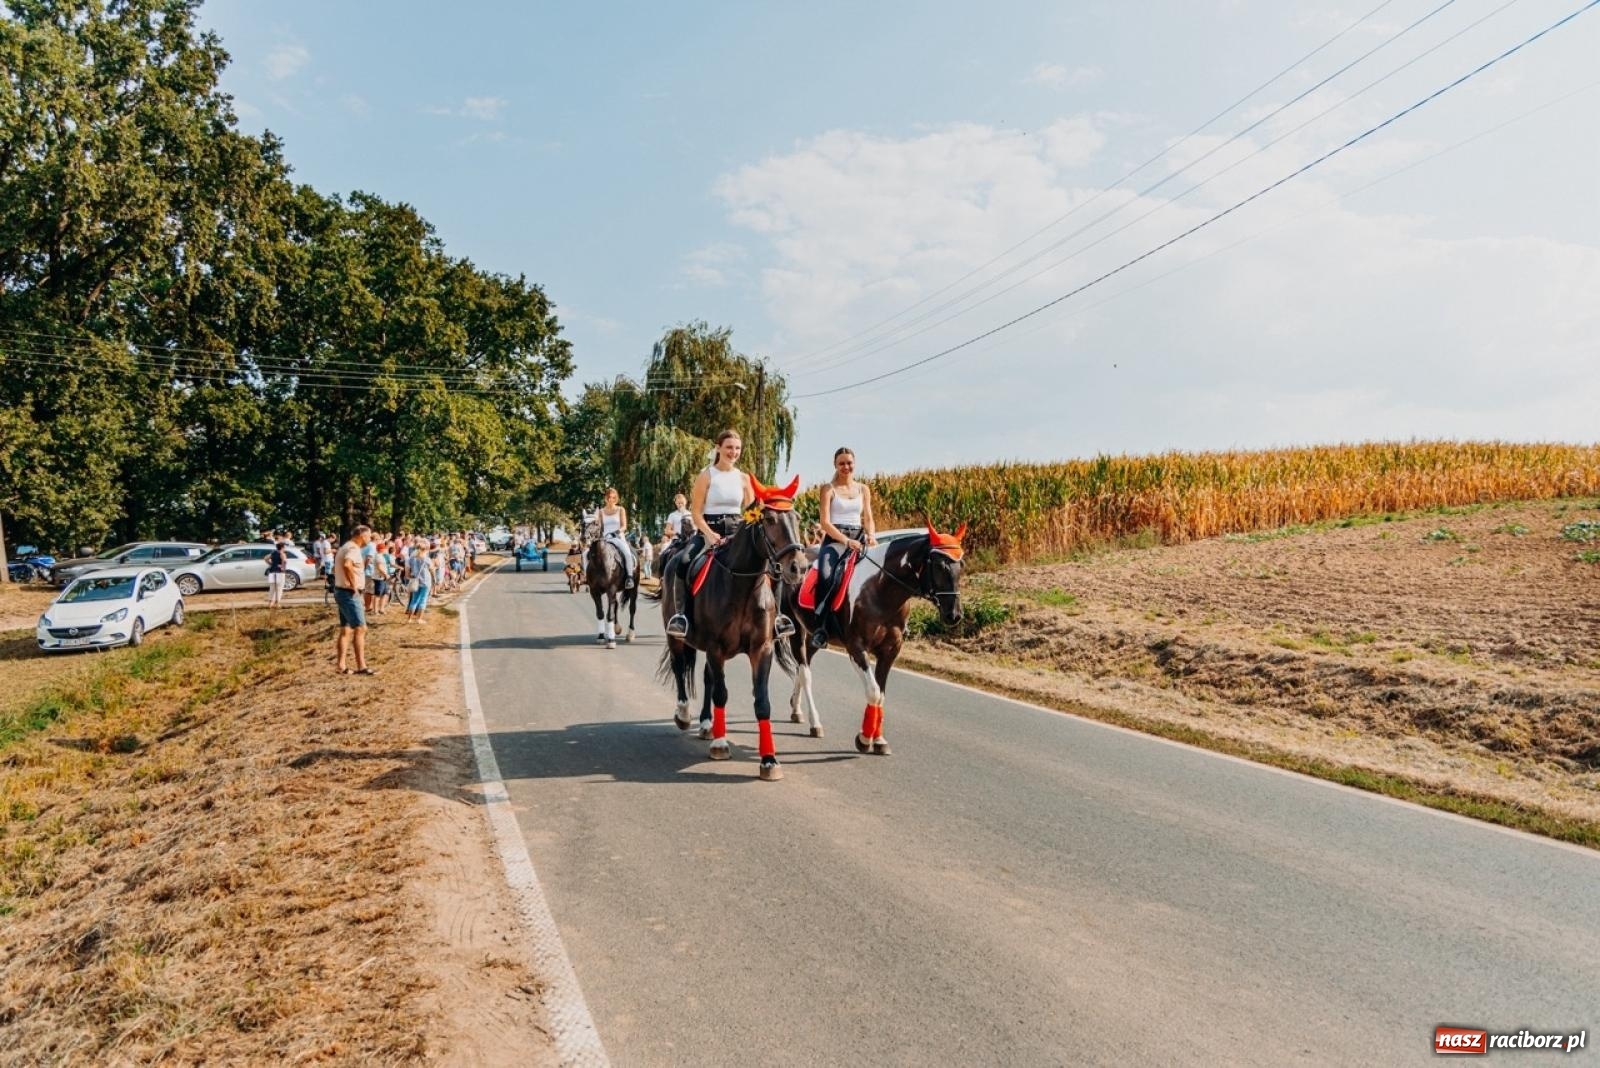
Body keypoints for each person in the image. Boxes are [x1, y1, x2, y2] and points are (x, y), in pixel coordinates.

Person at [664, 429, 796, 639]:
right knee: (683, 562)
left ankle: (778, 616)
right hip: (709, 530)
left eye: (737, 448)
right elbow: (696, 513)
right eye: (729, 448)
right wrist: (709, 534)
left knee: (774, 565)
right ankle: (681, 616)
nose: (733, 452)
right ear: (718, 448)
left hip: (737, 531)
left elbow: (751, 511)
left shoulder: (744, 479)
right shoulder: (706, 476)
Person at [809, 446, 877, 652]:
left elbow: (869, 517)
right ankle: (820, 628)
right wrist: (846, 541)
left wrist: (871, 535)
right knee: (827, 577)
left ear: (854, 463)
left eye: (849, 463)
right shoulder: (828, 489)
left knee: (880, 575)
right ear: (835, 465)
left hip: (859, 538)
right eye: (842, 463)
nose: (846, 467)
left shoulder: (863, 489)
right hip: (835, 541)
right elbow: (826, 522)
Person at [334, 525, 376, 674]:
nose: (369, 539)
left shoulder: (345, 546)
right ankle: (361, 666)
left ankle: (341, 665)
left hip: (340, 590)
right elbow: (347, 564)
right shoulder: (353, 548)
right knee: (360, 628)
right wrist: (353, 586)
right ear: (360, 535)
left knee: (346, 629)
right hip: (348, 593)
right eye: (368, 536)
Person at [598, 487, 637, 589]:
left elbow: (624, 526)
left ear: (616, 498)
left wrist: (616, 532)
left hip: (618, 537)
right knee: (588, 554)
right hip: (605, 539)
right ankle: (588, 576)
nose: (611, 499)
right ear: (605, 498)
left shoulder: (620, 509)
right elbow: (600, 527)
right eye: (609, 497)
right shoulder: (601, 512)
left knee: (628, 554)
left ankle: (629, 577)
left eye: (613, 497)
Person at [265, 540, 289, 609]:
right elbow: (284, 561)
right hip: (279, 572)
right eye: (284, 547)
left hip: (272, 572)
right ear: (282, 547)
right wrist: (282, 567)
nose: (285, 548)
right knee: (279, 588)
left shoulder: (273, 553)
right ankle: (277, 603)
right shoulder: (282, 554)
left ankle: (270, 603)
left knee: (272, 588)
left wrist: (272, 564)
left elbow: (266, 558)